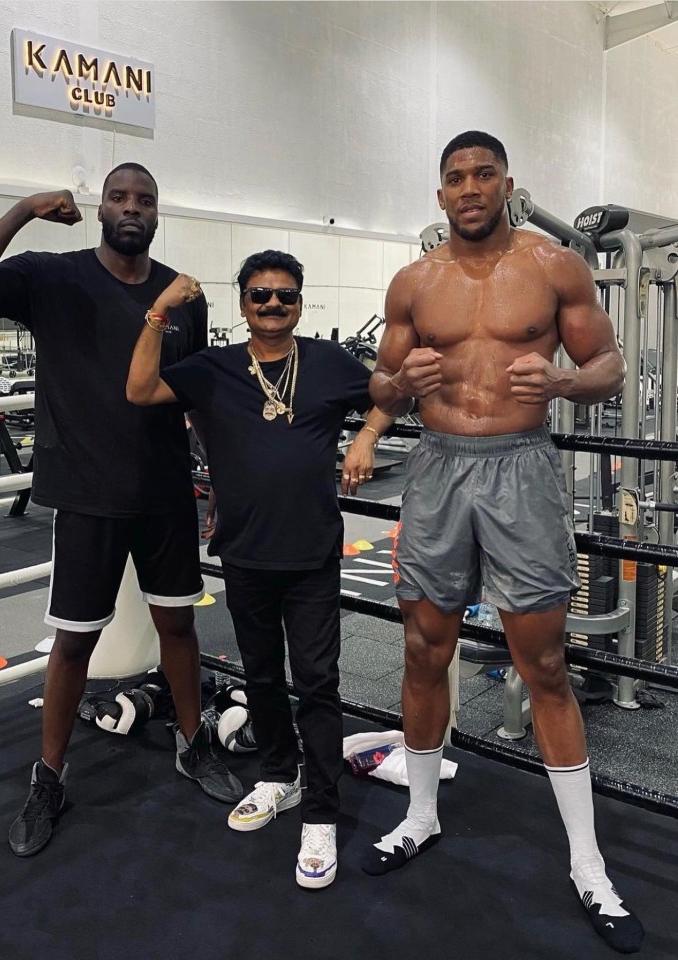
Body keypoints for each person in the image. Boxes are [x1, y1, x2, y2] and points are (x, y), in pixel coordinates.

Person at [365, 132, 643, 954]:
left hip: (520, 467)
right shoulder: (413, 281)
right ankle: (419, 816)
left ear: (506, 184)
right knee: (423, 646)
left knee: (545, 664)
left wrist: (560, 380)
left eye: (483, 173)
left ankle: (586, 863)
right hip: (437, 466)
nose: (469, 187)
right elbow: (379, 385)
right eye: (455, 178)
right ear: (440, 194)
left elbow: (610, 365)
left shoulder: (554, 266)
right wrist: (397, 386)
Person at [0, 162, 243, 858]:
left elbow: (191, 397)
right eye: (120, 198)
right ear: (102, 209)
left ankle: (193, 747)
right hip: (86, 497)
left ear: (158, 214)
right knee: (74, 642)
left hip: (164, 494)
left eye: (145, 200)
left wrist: (217, 477)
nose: (132, 209)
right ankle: (47, 777)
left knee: (179, 630)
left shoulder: (181, 296)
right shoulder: (52, 276)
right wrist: (21, 210)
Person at [127, 249, 394, 888]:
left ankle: (323, 813)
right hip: (245, 551)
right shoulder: (215, 368)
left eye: (285, 296)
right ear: (242, 302)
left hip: (310, 554)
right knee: (264, 678)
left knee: (317, 682)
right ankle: (280, 776)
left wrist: (369, 433)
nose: (272, 306)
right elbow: (139, 389)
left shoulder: (327, 363)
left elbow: (394, 391)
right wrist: (159, 310)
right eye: (260, 296)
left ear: (300, 303)